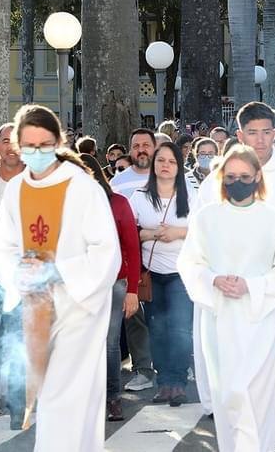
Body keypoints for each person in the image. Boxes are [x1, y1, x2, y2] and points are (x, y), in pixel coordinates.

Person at [0, 104, 120, 450]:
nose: (37, 152)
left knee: (60, 398)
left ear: (59, 141)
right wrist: (19, 272)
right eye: (29, 145)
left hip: (77, 308)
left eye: (44, 144)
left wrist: (57, 270)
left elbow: (106, 251)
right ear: (18, 145)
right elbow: (1, 248)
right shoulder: (17, 189)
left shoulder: (82, 187)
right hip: (36, 308)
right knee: (63, 399)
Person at [199, 102, 275, 451]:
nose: (260, 139)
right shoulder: (218, 180)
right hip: (235, 294)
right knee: (242, 377)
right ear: (239, 135)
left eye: (266, 132)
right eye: (252, 132)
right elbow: (202, 229)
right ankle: (269, 441)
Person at [177, 144, 275, 452]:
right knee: (229, 396)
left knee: (255, 396)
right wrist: (213, 280)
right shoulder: (206, 217)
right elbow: (189, 262)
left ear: (258, 176)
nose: (237, 182)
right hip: (218, 320)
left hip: (260, 319)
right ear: (220, 178)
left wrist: (251, 287)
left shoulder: (273, 218)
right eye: (230, 176)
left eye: (244, 175)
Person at [128, 141, 197, 407]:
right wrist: (151, 234)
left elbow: (204, 230)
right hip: (152, 273)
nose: (165, 166)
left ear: (179, 166)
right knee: (157, 329)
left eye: (171, 161)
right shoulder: (139, 197)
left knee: (180, 328)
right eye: (161, 161)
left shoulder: (191, 195)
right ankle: (164, 382)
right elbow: (130, 233)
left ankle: (178, 383)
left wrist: (177, 233)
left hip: (182, 273)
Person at [79, 153, 141, 422]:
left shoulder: (118, 203)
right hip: (78, 285)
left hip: (115, 283)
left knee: (109, 342)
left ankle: (113, 398)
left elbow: (132, 247)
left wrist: (133, 291)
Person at [111, 128, 157, 393]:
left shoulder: (167, 173)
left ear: (155, 147)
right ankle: (142, 368)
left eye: (146, 144)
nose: (141, 149)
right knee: (134, 314)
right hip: (130, 257)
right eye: (136, 145)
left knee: (163, 315)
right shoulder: (119, 181)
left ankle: (174, 364)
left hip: (165, 257)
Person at [0, 123, 26, 428]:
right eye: (5, 141)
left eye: (16, 141)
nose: (10, 147)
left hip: (25, 275)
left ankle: (18, 407)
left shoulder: (38, 182)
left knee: (18, 339)